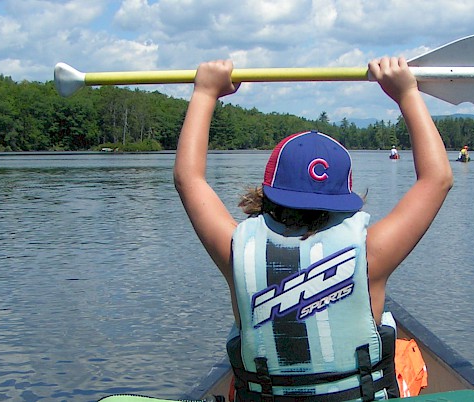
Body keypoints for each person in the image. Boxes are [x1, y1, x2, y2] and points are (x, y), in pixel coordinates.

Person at [174, 57, 452, 401]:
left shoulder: (236, 250)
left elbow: (188, 179)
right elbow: (437, 179)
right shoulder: (372, 254)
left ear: (269, 191)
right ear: (344, 197)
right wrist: (407, 93)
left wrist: (205, 92)